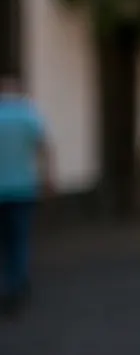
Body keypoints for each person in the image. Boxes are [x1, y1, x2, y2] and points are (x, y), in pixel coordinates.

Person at [0, 77, 51, 316]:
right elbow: (43, 147)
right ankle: (18, 283)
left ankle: (8, 283)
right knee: (20, 239)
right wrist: (48, 177)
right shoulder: (28, 115)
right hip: (23, 188)